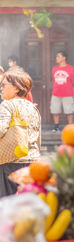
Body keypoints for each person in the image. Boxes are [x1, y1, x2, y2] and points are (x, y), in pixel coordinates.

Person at [0, 69, 41, 197]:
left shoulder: (7, 105)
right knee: (26, 204)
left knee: (6, 205)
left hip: (10, 161)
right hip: (32, 161)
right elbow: (38, 136)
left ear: (16, 88)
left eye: (4, 85)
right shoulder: (33, 107)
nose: (1, 88)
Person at [50, 51, 74, 132]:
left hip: (67, 93)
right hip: (56, 93)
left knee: (69, 111)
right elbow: (54, 80)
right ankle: (56, 126)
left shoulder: (71, 69)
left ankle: (70, 127)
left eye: (58, 56)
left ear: (64, 58)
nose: (56, 58)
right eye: (56, 56)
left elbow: (73, 81)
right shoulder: (54, 69)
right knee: (55, 110)